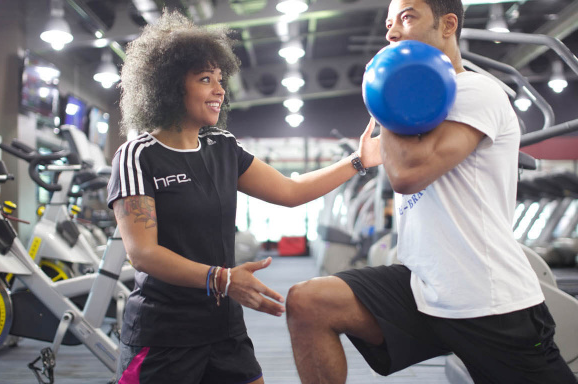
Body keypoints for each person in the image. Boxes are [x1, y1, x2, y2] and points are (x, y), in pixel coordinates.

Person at [285, 1, 578, 383]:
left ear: (447, 25)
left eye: (406, 18)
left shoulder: (476, 91)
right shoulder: (419, 99)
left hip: (486, 299)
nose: (391, 33)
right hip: (423, 287)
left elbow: (408, 173)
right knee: (309, 303)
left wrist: (388, 90)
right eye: (389, 23)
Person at [106, 10, 380, 384]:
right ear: (168, 87)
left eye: (220, 79)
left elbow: (291, 191)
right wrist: (221, 278)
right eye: (205, 79)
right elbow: (143, 253)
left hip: (224, 328)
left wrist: (358, 161)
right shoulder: (138, 155)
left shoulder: (222, 146)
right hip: (164, 335)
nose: (220, 90)